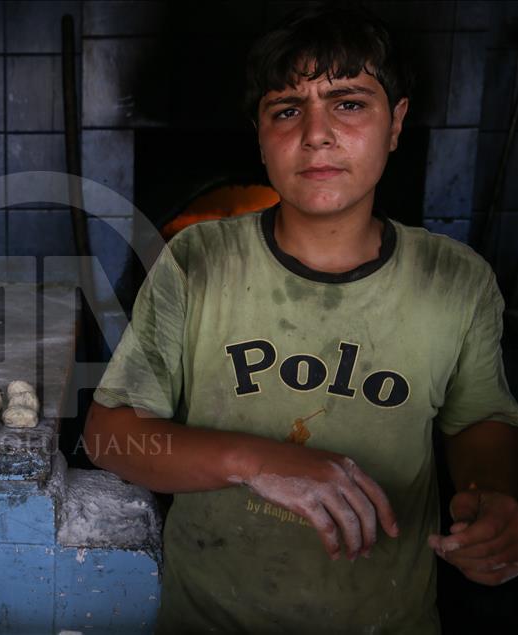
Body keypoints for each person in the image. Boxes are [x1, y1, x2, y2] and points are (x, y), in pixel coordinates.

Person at [84, 6, 518, 633]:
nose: (316, 134)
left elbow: (479, 418)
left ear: (396, 122)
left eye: (348, 104)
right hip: (211, 617)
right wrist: (255, 461)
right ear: (260, 137)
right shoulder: (197, 261)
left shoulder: (455, 280)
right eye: (287, 110)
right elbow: (107, 434)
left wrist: (492, 500)